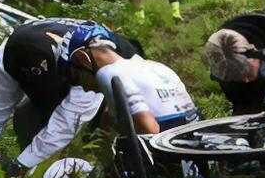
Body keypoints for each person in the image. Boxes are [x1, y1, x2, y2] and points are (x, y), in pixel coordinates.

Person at [0, 19, 136, 177]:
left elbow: (66, 123)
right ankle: (32, 171)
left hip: (106, 79)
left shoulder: (83, 61)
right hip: (58, 80)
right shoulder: (5, 58)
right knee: (25, 119)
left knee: (114, 126)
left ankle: (103, 172)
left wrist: (21, 164)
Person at [61, 25, 199, 135]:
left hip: (169, 151)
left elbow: (149, 129)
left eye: (76, 79)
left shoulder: (108, 73)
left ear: (82, 58)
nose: (84, 88)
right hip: (197, 136)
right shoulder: (155, 66)